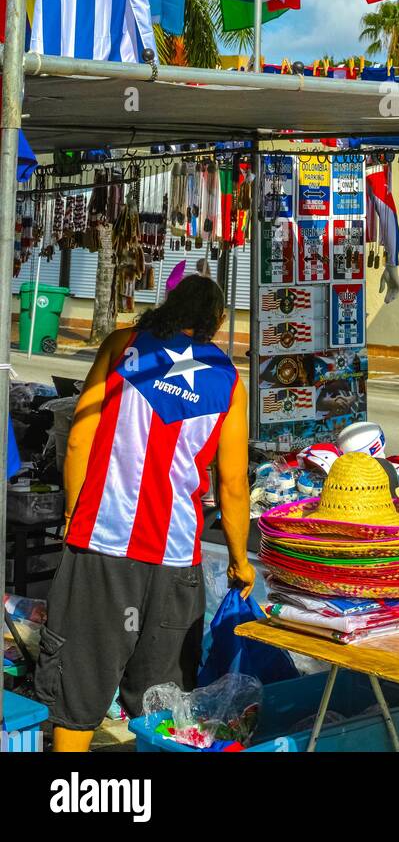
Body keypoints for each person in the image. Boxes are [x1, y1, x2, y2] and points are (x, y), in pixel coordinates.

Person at [34, 275, 254, 753]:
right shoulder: (230, 381)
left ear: (171, 306)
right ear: (217, 322)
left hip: (101, 543)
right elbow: (234, 485)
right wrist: (239, 558)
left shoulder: (122, 346)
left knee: (80, 684)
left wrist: (74, 510)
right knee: (161, 699)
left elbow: (79, 436)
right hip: (176, 560)